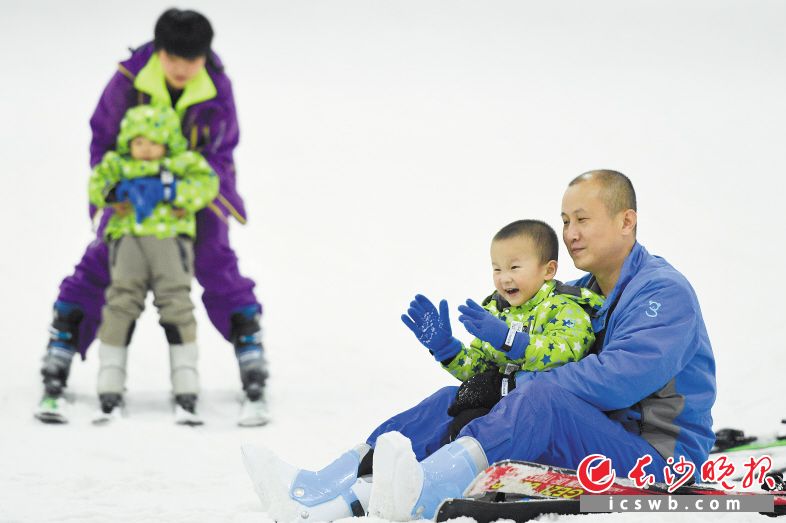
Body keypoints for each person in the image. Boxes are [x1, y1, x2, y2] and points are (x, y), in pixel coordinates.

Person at [243, 170, 716, 522]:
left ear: (626, 221)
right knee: (453, 402)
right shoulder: (582, 293)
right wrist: (460, 356)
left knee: (538, 399)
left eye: (583, 219)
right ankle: (324, 487)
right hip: (593, 434)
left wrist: (518, 382)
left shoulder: (662, 293)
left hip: (656, 458)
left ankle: (426, 490)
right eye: (565, 220)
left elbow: (618, 380)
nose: (570, 234)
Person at [241, 219, 606, 522]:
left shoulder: (566, 308)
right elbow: (478, 371)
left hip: (533, 421)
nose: (503, 277)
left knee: (471, 415)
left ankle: (413, 488)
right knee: (444, 400)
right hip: (496, 410)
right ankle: (326, 481)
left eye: (514, 267)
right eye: (496, 268)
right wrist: (446, 349)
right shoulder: (497, 310)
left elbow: (565, 354)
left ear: (548, 270)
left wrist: (509, 339)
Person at [38, 9, 268, 413]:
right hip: (134, 192)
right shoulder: (127, 81)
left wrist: (188, 191)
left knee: (214, 258)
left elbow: (221, 149)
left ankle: (247, 340)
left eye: (191, 60)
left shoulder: (217, 87)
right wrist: (116, 186)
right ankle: (65, 335)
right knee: (103, 261)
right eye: (173, 58)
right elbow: (102, 140)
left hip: (191, 192)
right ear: (159, 52)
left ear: (204, 56)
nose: (182, 68)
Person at [88, 104, 218, 420]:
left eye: (153, 142)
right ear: (128, 143)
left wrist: (175, 193)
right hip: (128, 242)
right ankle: (110, 381)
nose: (145, 150)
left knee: (177, 304)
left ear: (168, 141)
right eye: (138, 142)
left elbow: (207, 183)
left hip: (170, 244)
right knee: (121, 303)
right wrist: (113, 194)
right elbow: (96, 185)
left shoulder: (181, 164)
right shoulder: (117, 165)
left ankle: (186, 382)